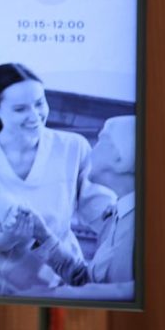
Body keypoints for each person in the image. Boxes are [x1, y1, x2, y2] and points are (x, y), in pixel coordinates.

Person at [0, 62, 116, 296]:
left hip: (58, 279)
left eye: (39, 103)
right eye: (20, 109)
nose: (35, 116)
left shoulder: (73, 147)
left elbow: (103, 214)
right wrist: (12, 236)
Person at [44, 115, 136, 300]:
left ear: (120, 159)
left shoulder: (153, 225)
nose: (90, 148)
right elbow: (89, 281)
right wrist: (43, 236)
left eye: (102, 140)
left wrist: (53, 295)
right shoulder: (118, 217)